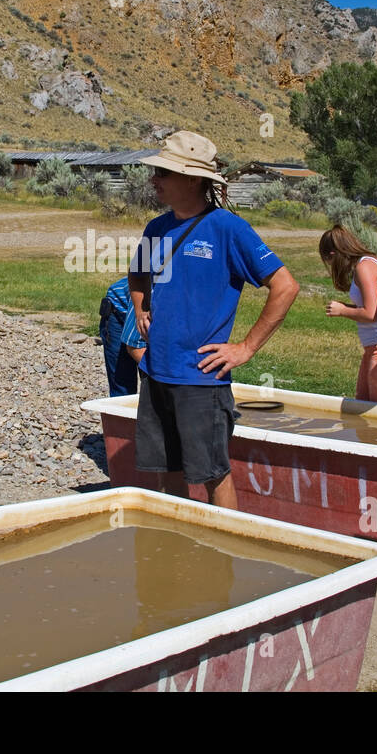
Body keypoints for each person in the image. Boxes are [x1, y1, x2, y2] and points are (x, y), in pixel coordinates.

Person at [127, 131, 299, 510]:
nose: (154, 179)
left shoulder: (228, 228)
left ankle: (223, 557)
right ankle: (172, 548)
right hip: (156, 374)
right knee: (164, 470)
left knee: (212, 473)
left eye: (163, 173)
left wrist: (246, 348)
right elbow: (137, 275)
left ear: (192, 179)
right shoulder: (156, 228)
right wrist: (140, 309)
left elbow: (285, 286)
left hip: (200, 378)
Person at [319, 225, 377, 402]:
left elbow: (371, 314)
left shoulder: (364, 268)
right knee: (362, 402)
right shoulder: (367, 264)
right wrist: (346, 306)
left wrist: (342, 310)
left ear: (333, 255)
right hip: (374, 346)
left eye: (329, 262)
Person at [99, 276, 146, 397]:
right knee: (123, 391)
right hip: (119, 312)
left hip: (150, 317)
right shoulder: (152, 292)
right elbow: (135, 347)